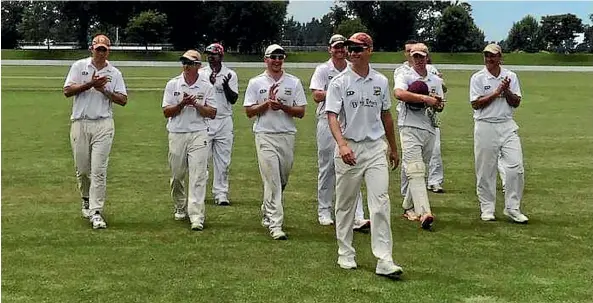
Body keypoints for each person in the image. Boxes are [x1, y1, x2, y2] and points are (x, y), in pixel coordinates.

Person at [326, 32, 403, 279]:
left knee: (380, 203)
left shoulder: (380, 81)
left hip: (374, 148)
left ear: (369, 50)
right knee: (346, 204)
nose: (352, 53)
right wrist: (342, 145)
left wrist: (393, 147)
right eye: (350, 48)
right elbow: (331, 116)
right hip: (349, 148)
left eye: (358, 49)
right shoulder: (339, 82)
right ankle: (345, 252)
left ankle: (384, 259)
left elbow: (387, 115)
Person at [63, 34, 128, 229]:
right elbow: (67, 91)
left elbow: (123, 100)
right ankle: (85, 198)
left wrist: (104, 90)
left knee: (98, 170)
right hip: (80, 122)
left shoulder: (114, 73)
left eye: (104, 49)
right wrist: (91, 84)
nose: (100, 52)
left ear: (108, 51)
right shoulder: (79, 66)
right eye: (98, 48)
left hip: (103, 124)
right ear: (92, 48)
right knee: (83, 169)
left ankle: (96, 211)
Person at [243, 44, 307, 240]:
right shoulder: (256, 82)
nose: (277, 60)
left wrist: (283, 107)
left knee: (282, 179)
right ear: (266, 59)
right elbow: (248, 112)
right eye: (273, 57)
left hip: (286, 135)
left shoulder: (293, 82)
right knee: (272, 181)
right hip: (264, 135)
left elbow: (301, 111)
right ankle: (276, 224)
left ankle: (267, 207)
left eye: (280, 57)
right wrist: (266, 104)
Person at [309, 34, 370, 230]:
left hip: (350, 122)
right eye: (336, 47)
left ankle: (358, 215)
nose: (340, 50)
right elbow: (316, 95)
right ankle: (324, 210)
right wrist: (336, 92)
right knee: (327, 168)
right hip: (327, 121)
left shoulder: (353, 68)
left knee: (354, 166)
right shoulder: (323, 70)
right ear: (330, 49)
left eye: (343, 47)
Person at [469, 44, 528, 223]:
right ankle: (487, 208)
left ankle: (513, 208)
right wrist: (497, 92)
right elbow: (476, 104)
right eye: (486, 56)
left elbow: (516, 102)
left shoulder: (511, 76)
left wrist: (506, 90)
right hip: (485, 125)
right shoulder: (478, 78)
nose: (489, 59)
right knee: (485, 169)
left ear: (500, 57)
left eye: (493, 56)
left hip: (507, 124)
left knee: (515, 167)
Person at [162, 50, 217, 231]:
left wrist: (196, 105)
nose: (186, 65)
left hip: (199, 133)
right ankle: (180, 205)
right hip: (177, 133)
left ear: (198, 66)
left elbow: (212, 112)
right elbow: (166, 112)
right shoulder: (173, 84)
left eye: (190, 62)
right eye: (184, 62)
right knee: (177, 175)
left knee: (198, 175)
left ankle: (196, 215)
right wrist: (181, 104)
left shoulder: (206, 86)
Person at [393, 43, 445, 230]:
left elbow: (440, 105)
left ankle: (408, 205)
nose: (418, 60)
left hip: (429, 127)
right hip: (409, 125)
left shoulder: (435, 79)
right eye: (415, 56)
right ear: (411, 57)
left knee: (421, 169)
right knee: (415, 168)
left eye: (421, 56)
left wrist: (435, 102)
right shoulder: (405, 74)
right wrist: (423, 98)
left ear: (427, 57)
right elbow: (398, 93)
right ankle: (425, 212)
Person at [200, 43, 239, 206]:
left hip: (224, 120)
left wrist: (224, 86)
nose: (210, 57)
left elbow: (234, 99)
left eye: (214, 54)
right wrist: (209, 83)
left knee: (223, 160)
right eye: (208, 54)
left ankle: (221, 193)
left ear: (221, 56)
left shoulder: (230, 74)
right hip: (206, 120)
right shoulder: (201, 73)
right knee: (201, 159)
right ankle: (199, 191)